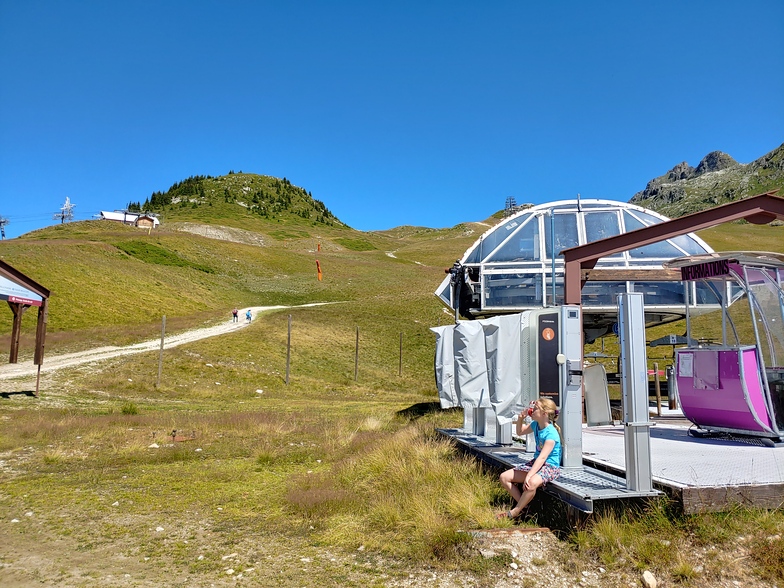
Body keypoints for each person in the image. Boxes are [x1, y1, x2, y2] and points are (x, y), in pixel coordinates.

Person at [496, 397, 562, 520]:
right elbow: (520, 432)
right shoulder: (536, 425)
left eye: (535, 409)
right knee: (504, 477)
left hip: (549, 466)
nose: (532, 411)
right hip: (536, 464)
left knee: (530, 484)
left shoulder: (551, 434)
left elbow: (542, 458)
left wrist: (529, 475)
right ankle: (525, 507)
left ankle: (515, 512)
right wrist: (520, 418)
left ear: (544, 413)